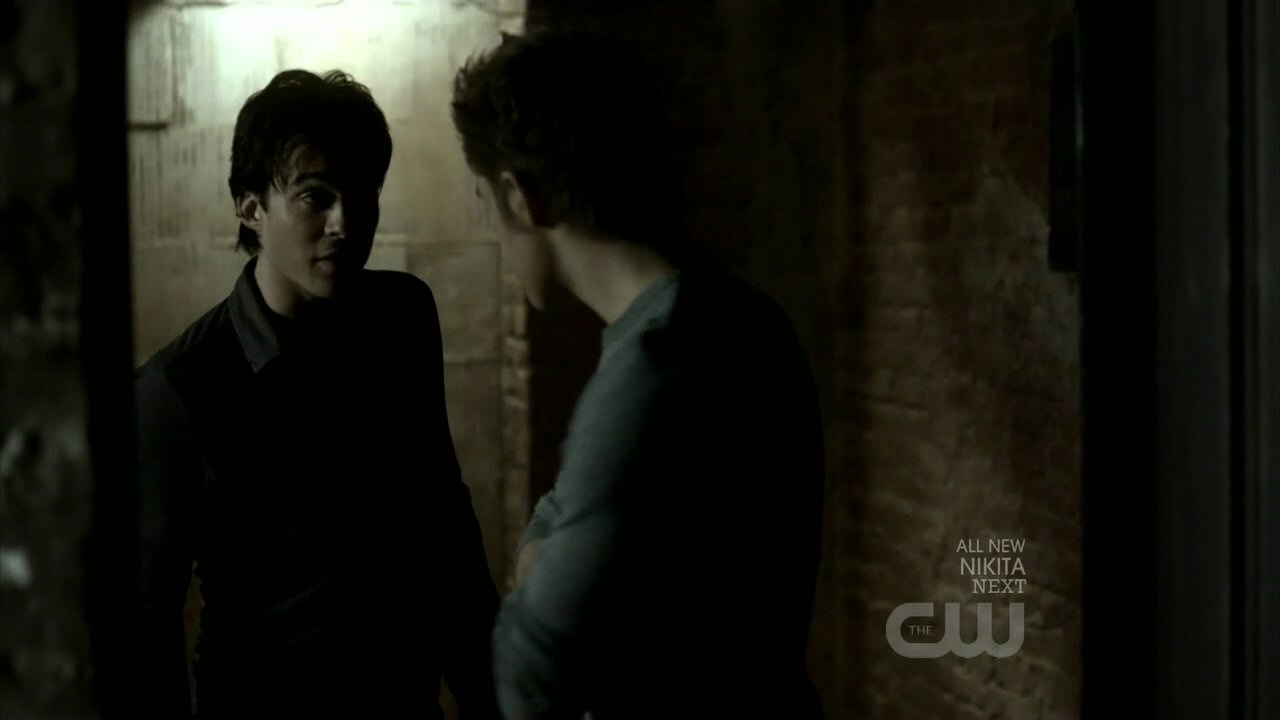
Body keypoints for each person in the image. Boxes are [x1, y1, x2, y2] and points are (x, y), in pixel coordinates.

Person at [452, 32, 827, 719]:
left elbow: (528, 666)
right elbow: (567, 510)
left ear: (520, 196)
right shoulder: (741, 316)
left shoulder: (656, 364)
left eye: (485, 202)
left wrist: (538, 569)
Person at [131, 69, 499, 718]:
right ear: (251, 208)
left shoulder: (401, 316)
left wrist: (489, 698)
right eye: (314, 196)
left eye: (362, 195)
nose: (344, 223)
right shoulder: (181, 386)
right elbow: (145, 623)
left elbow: (444, 523)